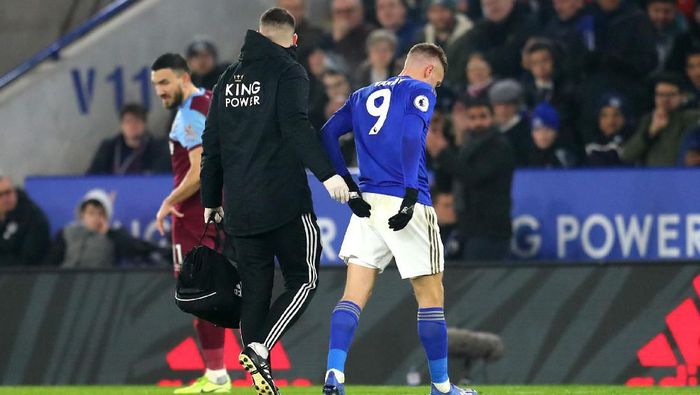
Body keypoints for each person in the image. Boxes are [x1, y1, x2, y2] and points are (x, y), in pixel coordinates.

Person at [199, 9, 350, 395]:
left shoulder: (228, 79)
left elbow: (211, 144)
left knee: (255, 291)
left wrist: (211, 198)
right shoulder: (288, 71)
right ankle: (260, 347)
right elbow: (296, 126)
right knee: (305, 278)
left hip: (239, 207)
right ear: (293, 40)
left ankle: (258, 377)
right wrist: (328, 174)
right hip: (283, 201)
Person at [319, 42, 478, 395]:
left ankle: (334, 374)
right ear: (428, 71)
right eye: (437, 82)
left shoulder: (362, 94)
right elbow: (410, 136)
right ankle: (441, 386)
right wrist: (409, 193)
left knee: (353, 295)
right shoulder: (420, 90)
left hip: (367, 201)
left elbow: (327, 134)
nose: (434, 89)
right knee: (430, 295)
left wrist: (348, 184)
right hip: (408, 201)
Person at [149, 53, 231, 394]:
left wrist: (170, 200)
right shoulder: (208, 101)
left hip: (194, 216)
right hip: (212, 211)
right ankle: (218, 373)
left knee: (199, 294)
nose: (160, 91)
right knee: (208, 292)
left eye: (165, 82)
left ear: (184, 78)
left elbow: (199, 172)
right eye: (155, 85)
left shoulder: (191, 112)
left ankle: (216, 376)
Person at [433, 98, 514, 261]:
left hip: (490, 231)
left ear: (492, 118)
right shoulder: (468, 145)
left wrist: (442, 152)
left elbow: (474, 176)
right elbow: (449, 179)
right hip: (468, 228)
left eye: (482, 116)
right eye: (472, 118)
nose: (478, 123)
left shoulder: (499, 146)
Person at [43, 189, 167, 267]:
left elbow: (133, 249)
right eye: (91, 213)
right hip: (66, 283)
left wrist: (110, 233)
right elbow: (51, 263)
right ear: (82, 214)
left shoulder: (114, 236)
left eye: (100, 213)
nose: (95, 218)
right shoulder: (66, 233)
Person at [446, 0, 539, 86]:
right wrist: (473, 59)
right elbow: (457, 50)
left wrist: (482, 59)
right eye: (487, 4)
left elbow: (513, 55)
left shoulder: (528, 23)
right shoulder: (483, 26)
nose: (492, 8)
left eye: (495, 2)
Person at [621, 74, 700, 166]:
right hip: (653, 177)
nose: (665, 99)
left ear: (682, 96)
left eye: (671, 95)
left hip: (684, 176)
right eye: (660, 94)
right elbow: (626, 155)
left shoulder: (692, 118)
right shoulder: (648, 119)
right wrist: (651, 132)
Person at [86, 103, 171, 175]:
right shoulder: (109, 147)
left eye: (137, 121)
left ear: (144, 125)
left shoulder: (158, 149)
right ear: (121, 125)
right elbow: (92, 176)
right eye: (128, 121)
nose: (133, 126)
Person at [0, 174, 50, 266]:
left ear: (14, 191)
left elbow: (29, 259)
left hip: (24, 275)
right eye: (0, 195)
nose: (5, 199)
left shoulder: (34, 217)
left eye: (8, 192)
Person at [488, 79, 531, 166]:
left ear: (516, 106)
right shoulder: (489, 130)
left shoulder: (526, 129)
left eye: (508, 105)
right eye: (499, 105)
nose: (503, 109)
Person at [525, 102, 577, 168]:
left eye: (548, 130)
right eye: (537, 130)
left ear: (556, 132)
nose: (543, 135)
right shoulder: (523, 157)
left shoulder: (564, 159)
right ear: (531, 132)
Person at [585, 94, 631, 166]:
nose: (610, 121)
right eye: (604, 115)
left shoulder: (633, 142)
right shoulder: (589, 143)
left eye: (616, 115)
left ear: (624, 118)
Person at [330, 0, 376, 71]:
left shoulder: (371, 35)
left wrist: (341, 40)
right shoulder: (327, 37)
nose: (344, 16)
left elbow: (355, 66)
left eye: (349, 11)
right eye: (339, 12)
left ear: (360, 11)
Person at [647, 0, 685, 75]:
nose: (661, 16)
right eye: (656, 11)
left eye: (667, 11)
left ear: (676, 11)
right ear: (648, 10)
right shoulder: (637, 31)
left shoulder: (683, 35)